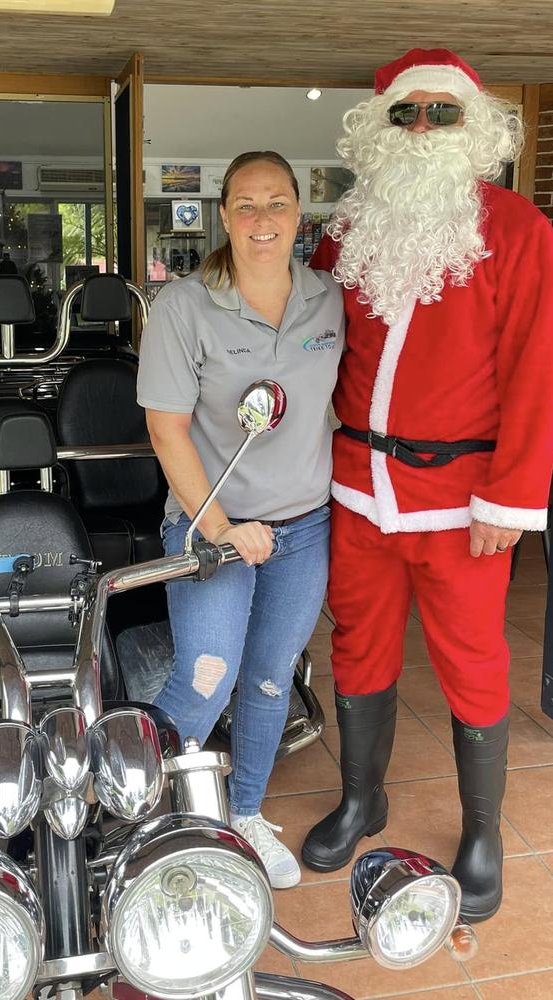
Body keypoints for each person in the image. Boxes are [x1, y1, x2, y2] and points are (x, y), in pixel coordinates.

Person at [300, 48, 553, 921]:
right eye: (407, 113)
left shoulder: (517, 229)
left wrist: (511, 501)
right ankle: (363, 799)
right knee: (358, 645)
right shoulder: (347, 228)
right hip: (356, 487)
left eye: (442, 113)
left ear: (473, 125)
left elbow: (535, 371)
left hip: (465, 498)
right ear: (379, 126)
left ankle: (482, 835)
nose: (422, 128)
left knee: (473, 662)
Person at [137, 150, 345, 888]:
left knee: (268, 679)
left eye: (278, 203)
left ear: (300, 215)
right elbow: (167, 431)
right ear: (223, 216)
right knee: (207, 678)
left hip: (304, 528)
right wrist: (223, 529)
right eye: (247, 206)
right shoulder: (184, 307)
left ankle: (247, 813)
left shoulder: (330, 300)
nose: (263, 220)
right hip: (211, 528)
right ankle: (141, 813)